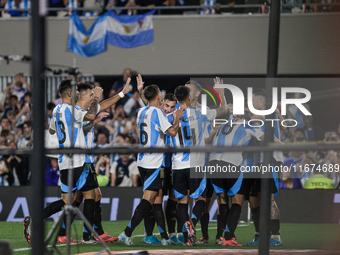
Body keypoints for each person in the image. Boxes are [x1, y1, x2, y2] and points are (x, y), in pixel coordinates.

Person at [118, 75, 184, 246]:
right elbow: (172, 132)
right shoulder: (157, 112)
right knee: (148, 200)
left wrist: (141, 91)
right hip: (155, 162)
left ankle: (163, 237)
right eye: (161, 97)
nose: (162, 99)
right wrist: (177, 117)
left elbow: (149, 105)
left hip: (142, 161)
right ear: (158, 97)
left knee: (155, 201)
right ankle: (127, 232)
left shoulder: (142, 111)